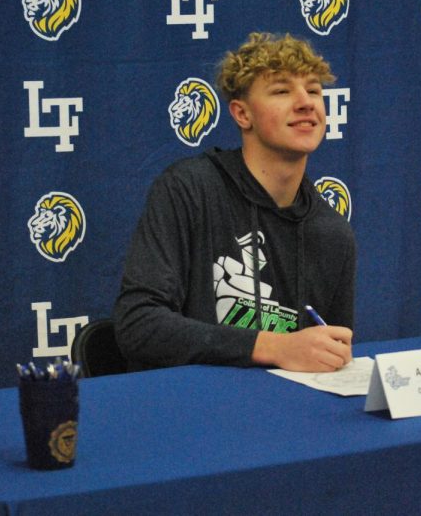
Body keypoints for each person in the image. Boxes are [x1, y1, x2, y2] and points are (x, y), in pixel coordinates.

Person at [113, 32, 356, 373]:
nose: (306, 102)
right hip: (190, 409)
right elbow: (138, 325)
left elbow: (331, 358)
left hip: (282, 417)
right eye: (282, 91)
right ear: (242, 115)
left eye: (314, 90)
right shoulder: (189, 190)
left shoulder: (332, 233)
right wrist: (275, 347)